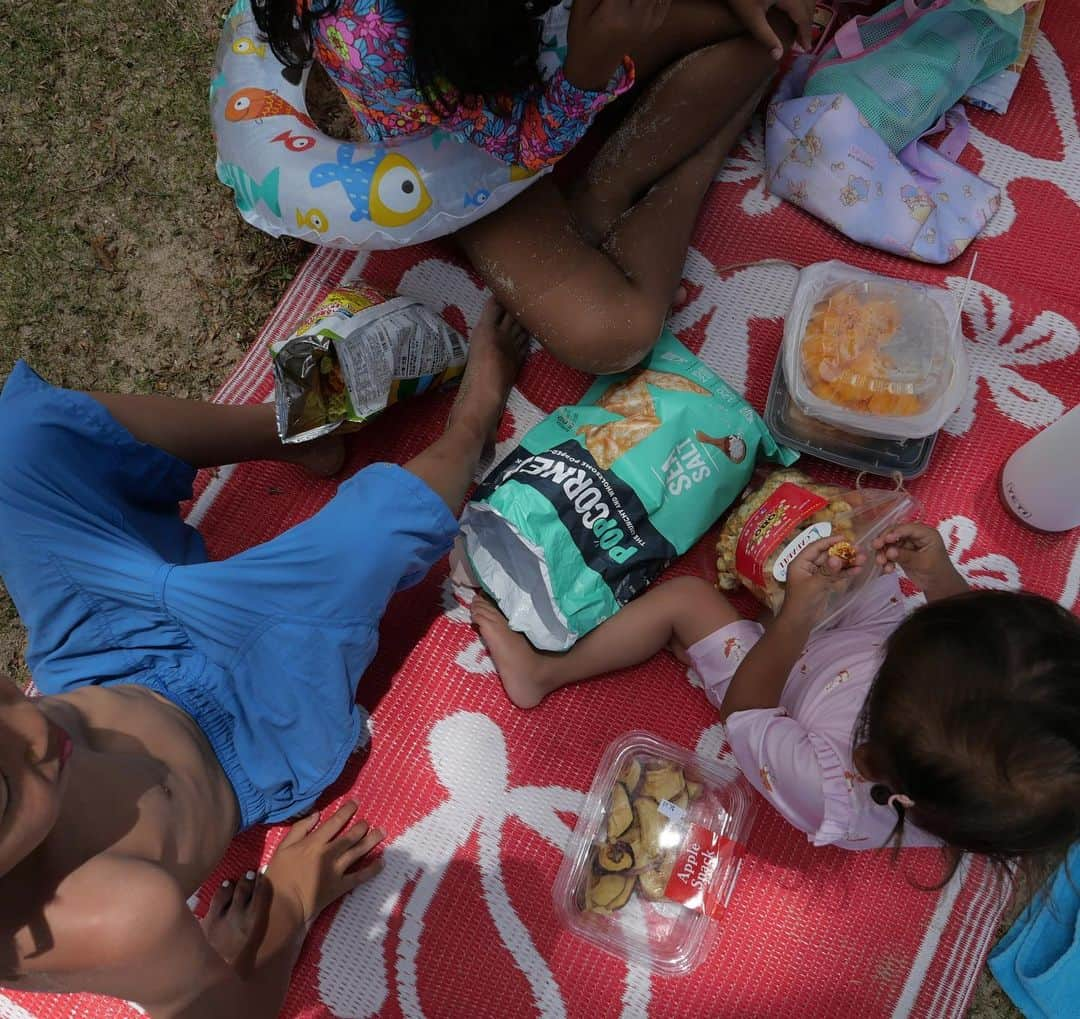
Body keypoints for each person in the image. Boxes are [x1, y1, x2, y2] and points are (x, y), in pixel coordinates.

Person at [0, 300, 526, 1016]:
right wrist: (291, 902)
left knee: (19, 441)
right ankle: (474, 423)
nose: (34, 729)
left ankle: (290, 428)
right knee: (367, 534)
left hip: (102, 652)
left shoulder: (34, 741)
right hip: (248, 729)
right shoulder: (115, 917)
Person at [253, 0, 814, 373]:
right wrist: (588, 70)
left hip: (531, 34)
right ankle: (695, 161)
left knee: (774, 20)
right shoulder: (374, 33)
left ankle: (604, 192)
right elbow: (512, 148)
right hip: (458, 136)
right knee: (614, 334)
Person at [473, 525, 1080, 866]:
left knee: (690, 601)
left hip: (779, 697)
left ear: (868, 762)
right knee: (838, 543)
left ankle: (541, 674)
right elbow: (979, 646)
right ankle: (766, 626)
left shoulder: (830, 784)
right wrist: (940, 580)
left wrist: (790, 624)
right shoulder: (981, 754)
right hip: (861, 659)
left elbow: (748, 714)